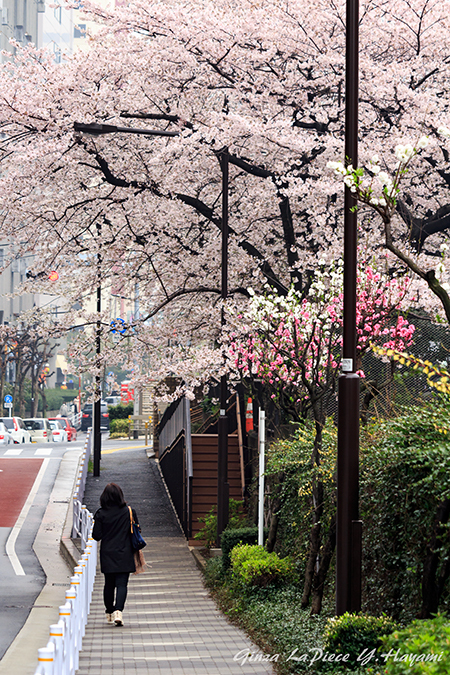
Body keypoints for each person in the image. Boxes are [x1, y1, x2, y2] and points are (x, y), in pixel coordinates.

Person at [92, 483, 139, 626]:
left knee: (109, 584)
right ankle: (119, 611)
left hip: (108, 553)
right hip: (125, 552)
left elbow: (96, 535)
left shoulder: (101, 513)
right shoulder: (129, 511)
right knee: (122, 584)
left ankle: (109, 612)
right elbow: (137, 529)